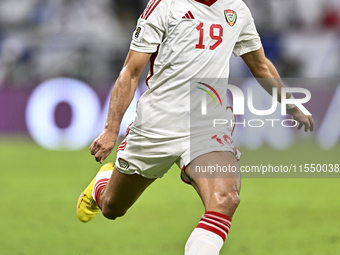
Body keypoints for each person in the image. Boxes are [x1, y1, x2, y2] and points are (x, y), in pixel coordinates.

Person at [76, 0, 314, 254]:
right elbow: (131, 70)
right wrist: (111, 129)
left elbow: (261, 65)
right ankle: (103, 181)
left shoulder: (237, 9)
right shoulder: (165, 5)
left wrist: (290, 104)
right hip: (157, 124)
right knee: (113, 207)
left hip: (207, 124)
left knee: (226, 197)